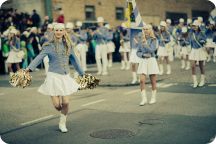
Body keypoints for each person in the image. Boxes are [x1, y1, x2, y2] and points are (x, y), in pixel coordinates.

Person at [26, 23, 84, 133]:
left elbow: (75, 61)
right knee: (58, 105)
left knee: (66, 103)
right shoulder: (48, 46)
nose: (58, 32)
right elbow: (38, 58)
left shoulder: (68, 45)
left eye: (61, 30)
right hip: (53, 77)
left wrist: (82, 74)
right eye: (56, 30)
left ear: (64, 32)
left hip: (65, 77)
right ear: (54, 31)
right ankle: (62, 112)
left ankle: (62, 122)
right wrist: (28, 69)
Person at [136, 24, 159, 106]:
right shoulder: (141, 39)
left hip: (151, 61)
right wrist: (143, 55)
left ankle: (153, 98)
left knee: (153, 81)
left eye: (147, 29)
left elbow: (152, 50)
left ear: (150, 30)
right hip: (143, 61)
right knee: (141, 80)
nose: (145, 30)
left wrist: (145, 44)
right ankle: (144, 99)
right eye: (144, 29)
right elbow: (137, 52)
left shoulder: (154, 39)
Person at [189, 20, 207, 88]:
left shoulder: (202, 33)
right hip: (193, 50)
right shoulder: (191, 33)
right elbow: (190, 41)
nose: (195, 27)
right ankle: (195, 82)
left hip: (200, 50)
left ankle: (202, 81)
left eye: (196, 26)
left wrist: (203, 41)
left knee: (201, 66)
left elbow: (205, 40)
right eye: (194, 26)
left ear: (198, 26)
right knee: (193, 66)